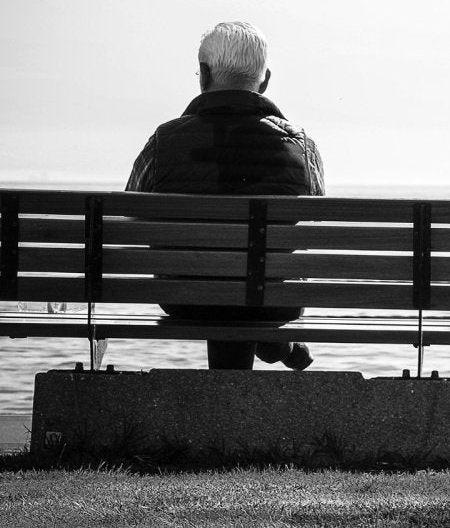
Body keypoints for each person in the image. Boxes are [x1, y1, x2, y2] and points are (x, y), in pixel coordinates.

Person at [126, 21, 325, 370]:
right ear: (264, 80)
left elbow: (131, 217)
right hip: (274, 298)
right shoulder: (300, 146)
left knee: (224, 286)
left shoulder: (164, 141)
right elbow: (315, 221)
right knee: (252, 286)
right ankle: (275, 342)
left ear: (204, 75)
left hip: (186, 298)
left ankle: (271, 349)